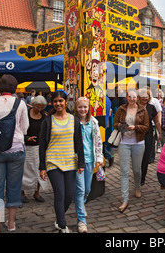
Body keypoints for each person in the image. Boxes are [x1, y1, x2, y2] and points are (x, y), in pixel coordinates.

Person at [0, 74, 29, 233]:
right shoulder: (21, 104)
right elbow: (25, 128)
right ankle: (11, 224)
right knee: (14, 187)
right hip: (16, 148)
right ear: (15, 88)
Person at [39, 90, 85, 233]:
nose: (58, 103)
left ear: (66, 102)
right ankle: (63, 225)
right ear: (52, 103)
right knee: (60, 193)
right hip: (53, 162)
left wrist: (81, 163)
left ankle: (59, 218)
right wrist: (42, 167)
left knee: (69, 194)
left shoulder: (74, 120)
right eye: (55, 101)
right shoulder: (47, 121)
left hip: (70, 161)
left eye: (61, 101)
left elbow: (79, 143)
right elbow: (42, 145)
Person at [113, 88, 149, 213]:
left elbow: (146, 127)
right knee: (124, 171)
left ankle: (137, 187)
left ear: (137, 98)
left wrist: (136, 127)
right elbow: (115, 124)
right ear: (127, 97)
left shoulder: (142, 110)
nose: (132, 99)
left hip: (138, 143)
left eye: (134, 97)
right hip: (124, 143)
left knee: (137, 169)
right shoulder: (121, 109)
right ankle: (125, 199)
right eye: (130, 96)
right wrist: (121, 126)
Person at [73, 96, 104, 233]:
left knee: (87, 189)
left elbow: (98, 140)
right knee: (80, 189)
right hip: (76, 160)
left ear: (89, 108)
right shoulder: (72, 121)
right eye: (80, 107)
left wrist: (99, 157)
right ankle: (81, 221)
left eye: (85, 107)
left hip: (90, 159)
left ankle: (82, 203)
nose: (83, 109)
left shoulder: (93, 122)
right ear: (76, 108)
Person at [21, 95, 47, 204]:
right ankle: (22, 193)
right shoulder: (26, 115)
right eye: (38, 107)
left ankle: (37, 192)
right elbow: (19, 129)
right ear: (33, 105)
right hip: (27, 146)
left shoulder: (44, 117)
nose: (39, 109)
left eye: (42, 107)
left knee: (39, 170)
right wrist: (27, 138)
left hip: (39, 147)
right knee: (25, 171)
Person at [138, 88, 161, 186]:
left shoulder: (151, 107)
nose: (144, 98)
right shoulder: (134, 106)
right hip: (137, 134)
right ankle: (137, 174)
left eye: (146, 96)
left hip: (148, 134)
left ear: (149, 97)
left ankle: (142, 178)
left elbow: (156, 121)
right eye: (142, 96)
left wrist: (159, 132)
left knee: (146, 156)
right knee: (137, 156)